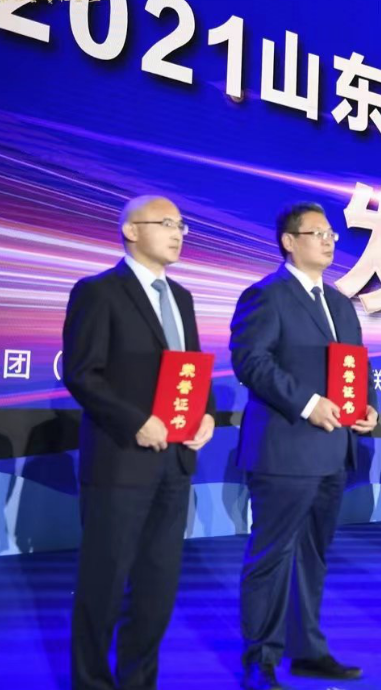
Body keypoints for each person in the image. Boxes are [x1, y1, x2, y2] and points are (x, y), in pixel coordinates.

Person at [63, 196, 216, 690]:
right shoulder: (98, 292)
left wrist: (206, 414)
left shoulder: (183, 297)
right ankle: (91, 682)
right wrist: (135, 422)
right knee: (104, 583)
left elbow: (192, 369)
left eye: (182, 225)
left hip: (176, 462)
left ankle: (138, 681)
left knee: (157, 585)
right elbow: (82, 374)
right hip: (120, 462)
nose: (178, 233)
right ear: (131, 231)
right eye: (166, 223)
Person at [230, 202, 377, 690]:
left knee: (313, 555)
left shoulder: (340, 303)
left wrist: (368, 406)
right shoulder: (266, 295)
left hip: (333, 452)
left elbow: (355, 364)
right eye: (318, 233)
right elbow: (251, 361)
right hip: (284, 449)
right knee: (272, 556)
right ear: (289, 242)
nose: (329, 241)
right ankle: (261, 658)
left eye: (332, 233)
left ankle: (307, 650)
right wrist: (308, 403)